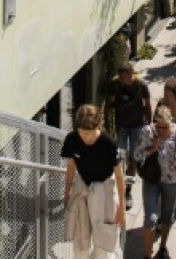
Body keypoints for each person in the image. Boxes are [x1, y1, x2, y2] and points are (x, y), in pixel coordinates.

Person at [62, 104, 126, 258]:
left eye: (88, 133)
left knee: (104, 243)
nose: (85, 137)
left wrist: (122, 209)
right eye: (82, 132)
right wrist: (67, 190)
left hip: (104, 190)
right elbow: (71, 166)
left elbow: (119, 177)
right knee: (80, 240)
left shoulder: (109, 144)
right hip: (83, 186)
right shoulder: (72, 139)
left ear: (98, 126)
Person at [134, 106, 176, 259]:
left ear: (171, 122)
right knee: (150, 219)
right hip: (152, 179)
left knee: (167, 217)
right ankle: (147, 255)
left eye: (165, 127)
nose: (161, 130)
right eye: (158, 126)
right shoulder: (147, 131)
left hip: (171, 180)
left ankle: (162, 247)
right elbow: (136, 155)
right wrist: (152, 149)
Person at [103, 62, 151, 211]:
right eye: (120, 78)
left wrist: (149, 126)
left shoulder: (141, 86)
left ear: (131, 75)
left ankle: (128, 191)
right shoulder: (115, 85)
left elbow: (147, 105)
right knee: (120, 157)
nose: (122, 81)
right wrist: (108, 125)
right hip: (121, 126)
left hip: (137, 126)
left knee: (133, 158)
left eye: (124, 78)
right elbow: (107, 105)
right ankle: (119, 186)